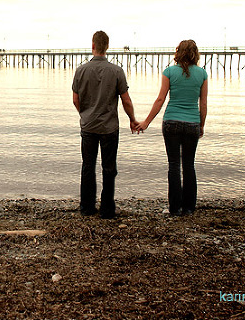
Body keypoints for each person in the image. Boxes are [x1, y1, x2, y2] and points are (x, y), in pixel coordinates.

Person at [136, 40, 208, 216]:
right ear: (195, 54)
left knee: (174, 165)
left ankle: (175, 208)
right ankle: (189, 208)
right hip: (192, 123)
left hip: (171, 122)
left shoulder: (169, 72)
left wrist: (146, 122)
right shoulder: (202, 74)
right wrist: (201, 124)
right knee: (189, 165)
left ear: (178, 52)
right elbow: (203, 103)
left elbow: (160, 99)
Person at [72, 31, 138, 218]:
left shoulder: (81, 71)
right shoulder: (116, 71)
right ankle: (107, 209)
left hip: (88, 126)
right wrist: (132, 119)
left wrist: (85, 114)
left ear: (92, 45)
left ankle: (87, 207)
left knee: (88, 166)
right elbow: (126, 100)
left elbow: (75, 99)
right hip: (109, 128)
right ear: (107, 47)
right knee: (109, 168)